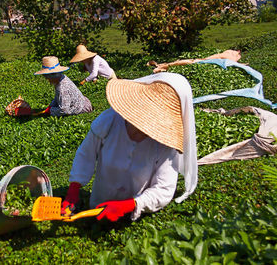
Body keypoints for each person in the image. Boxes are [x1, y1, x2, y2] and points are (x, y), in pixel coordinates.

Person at [61, 72, 198, 222]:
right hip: (97, 205)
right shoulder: (109, 121)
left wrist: (129, 205)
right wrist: (73, 190)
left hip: (132, 215)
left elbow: (164, 189)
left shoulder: (165, 145)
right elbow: (86, 154)